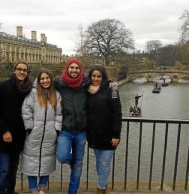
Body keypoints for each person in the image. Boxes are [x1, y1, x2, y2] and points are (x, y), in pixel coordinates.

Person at [0, 61, 32, 194]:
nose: (22, 72)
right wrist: (4, 130)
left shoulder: (28, 89)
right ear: (14, 70)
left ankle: (11, 191)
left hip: (19, 136)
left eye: (24, 70)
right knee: (4, 169)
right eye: (19, 69)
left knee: (13, 168)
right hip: (6, 135)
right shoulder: (3, 86)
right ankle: (2, 192)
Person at [21, 68, 62, 194]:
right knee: (30, 162)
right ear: (38, 80)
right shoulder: (32, 93)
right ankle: (34, 190)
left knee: (47, 162)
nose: (45, 81)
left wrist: (56, 129)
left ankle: (42, 188)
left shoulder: (56, 94)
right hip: (34, 134)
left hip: (50, 135)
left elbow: (59, 113)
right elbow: (26, 110)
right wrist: (29, 128)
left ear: (50, 78)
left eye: (47, 78)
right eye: (42, 79)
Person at [54, 58, 90, 194]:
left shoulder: (86, 82)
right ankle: (73, 161)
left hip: (81, 130)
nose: (74, 70)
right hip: (66, 130)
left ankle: (72, 191)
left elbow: (101, 79)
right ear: (67, 68)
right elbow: (41, 83)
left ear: (80, 70)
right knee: (62, 157)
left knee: (78, 164)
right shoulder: (59, 82)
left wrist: (111, 84)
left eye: (77, 68)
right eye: (72, 67)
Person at [86, 65, 122, 194]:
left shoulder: (112, 88)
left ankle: (100, 190)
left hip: (109, 136)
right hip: (94, 135)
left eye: (99, 76)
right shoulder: (87, 89)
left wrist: (116, 135)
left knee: (105, 163)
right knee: (99, 164)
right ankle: (105, 189)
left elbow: (117, 112)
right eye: (94, 76)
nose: (96, 79)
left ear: (103, 77)